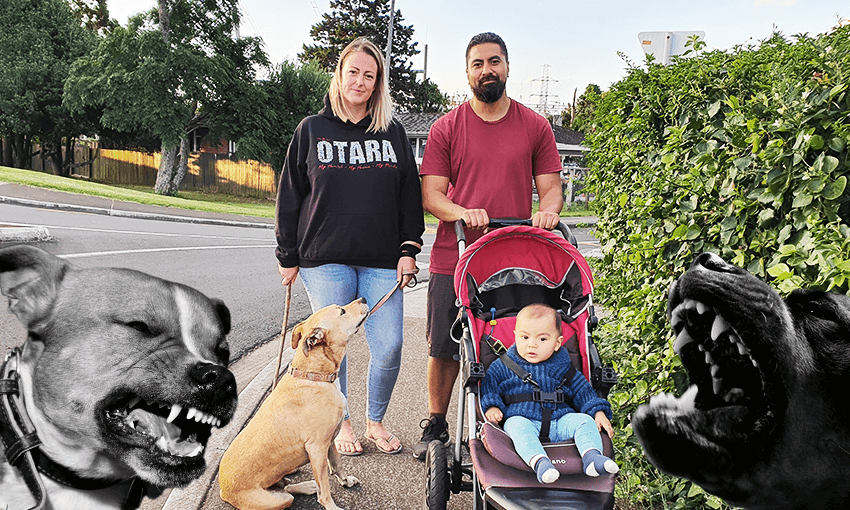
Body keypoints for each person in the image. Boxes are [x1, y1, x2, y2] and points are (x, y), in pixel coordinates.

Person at [414, 32, 564, 460]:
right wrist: (461, 211)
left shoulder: (535, 126)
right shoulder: (447, 127)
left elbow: (551, 189)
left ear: (508, 67)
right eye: (478, 64)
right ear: (467, 73)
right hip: (455, 257)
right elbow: (432, 195)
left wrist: (547, 212)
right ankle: (437, 423)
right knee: (444, 346)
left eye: (494, 61)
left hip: (514, 260)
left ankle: (514, 421)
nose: (487, 70)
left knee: (512, 342)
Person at [275, 37, 424, 456]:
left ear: (378, 83)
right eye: (353, 72)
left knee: (390, 346)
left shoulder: (392, 132)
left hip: (382, 261)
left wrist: (408, 250)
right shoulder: (311, 129)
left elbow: (409, 195)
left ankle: (375, 421)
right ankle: (342, 422)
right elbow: (290, 195)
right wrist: (287, 255)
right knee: (330, 350)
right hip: (324, 260)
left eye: (369, 75)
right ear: (339, 75)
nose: (359, 81)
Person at [481, 304, 618, 482]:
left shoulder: (564, 365)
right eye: (525, 337)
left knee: (585, 421)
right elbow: (489, 384)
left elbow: (583, 390)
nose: (532, 344)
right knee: (515, 426)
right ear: (515, 336)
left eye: (543, 339)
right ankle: (541, 463)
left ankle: (592, 458)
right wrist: (492, 405)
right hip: (524, 419)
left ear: (557, 343)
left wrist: (597, 412)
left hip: (560, 420)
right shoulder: (504, 365)